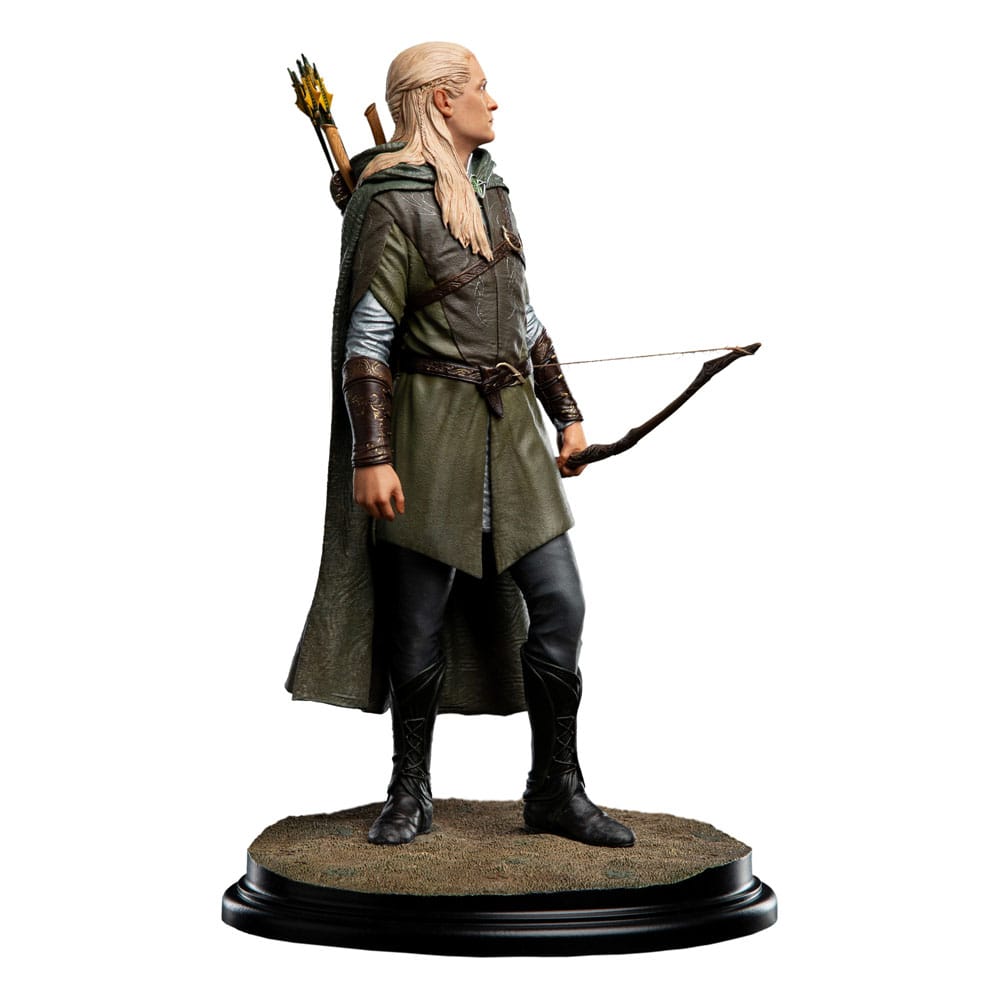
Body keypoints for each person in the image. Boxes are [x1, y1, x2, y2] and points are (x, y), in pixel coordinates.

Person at [287, 41, 634, 849]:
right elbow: (369, 341)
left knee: (561, 604)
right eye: (480, 86)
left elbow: (524, 315)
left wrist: (566, 413)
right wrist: (373, 455)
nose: (493, 99)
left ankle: (556, 789)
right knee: (416, 622)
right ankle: (409, 791)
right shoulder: (392, 202)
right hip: (428, 434)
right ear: (442, 100)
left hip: (511, 433)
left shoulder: (492, 190)